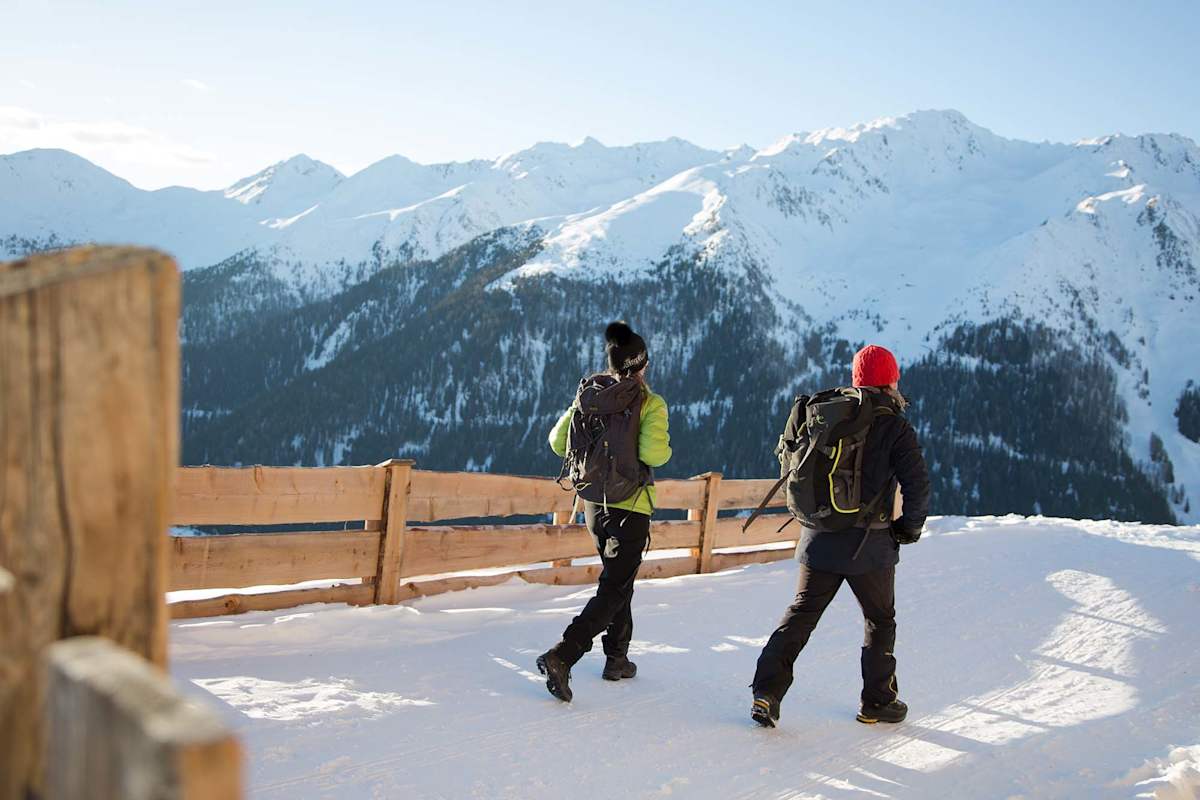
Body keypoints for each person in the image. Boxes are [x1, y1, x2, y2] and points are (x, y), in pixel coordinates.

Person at [750, 344, 930, 727]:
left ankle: (766, 692)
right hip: (870, 546)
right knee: (879, 620)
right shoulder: (894, 426)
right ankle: (877, 702)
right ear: (891, 381)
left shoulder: (827, 416)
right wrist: (908, 529)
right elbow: (918, 484)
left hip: (819, 537)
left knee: (801, 614)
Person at [536, 321, 671, 702]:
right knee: (614, 587)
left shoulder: (589, 396)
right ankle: (564, 654)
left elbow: (557, 442)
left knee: (618, 581)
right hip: (631, 506)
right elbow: (654, 454)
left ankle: (617, 658)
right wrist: (665, 446)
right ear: (642, 364)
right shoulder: (650, 402)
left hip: (595, 506)